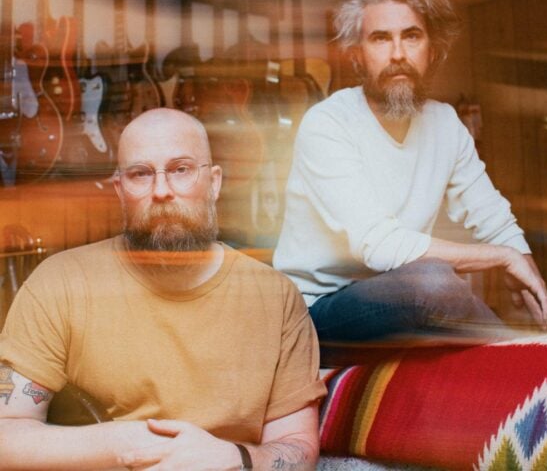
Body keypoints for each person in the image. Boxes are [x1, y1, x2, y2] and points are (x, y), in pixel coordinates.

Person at [0, 108, 325, 471]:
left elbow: (298, 450)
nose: (161, 191)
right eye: (140, 174)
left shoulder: (275, 298)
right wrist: (128, 444)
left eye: (181, 169)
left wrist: (235, 458)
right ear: (120, 191)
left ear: (214, 182)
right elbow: (6, 435)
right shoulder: (60, 283)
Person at [273, 0, 547, 342]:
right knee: (432, 280)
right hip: (316, 312)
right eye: (380, 39)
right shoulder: (327, 124)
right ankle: (517, 354)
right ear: (357, 56)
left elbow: (493, 217)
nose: (398, 54)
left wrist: (529, 275)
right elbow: (380, 246)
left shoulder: (445, 123)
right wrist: (504, 257)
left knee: (433, 282)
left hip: (396, 298)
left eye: (411, 36)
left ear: (433, 50)